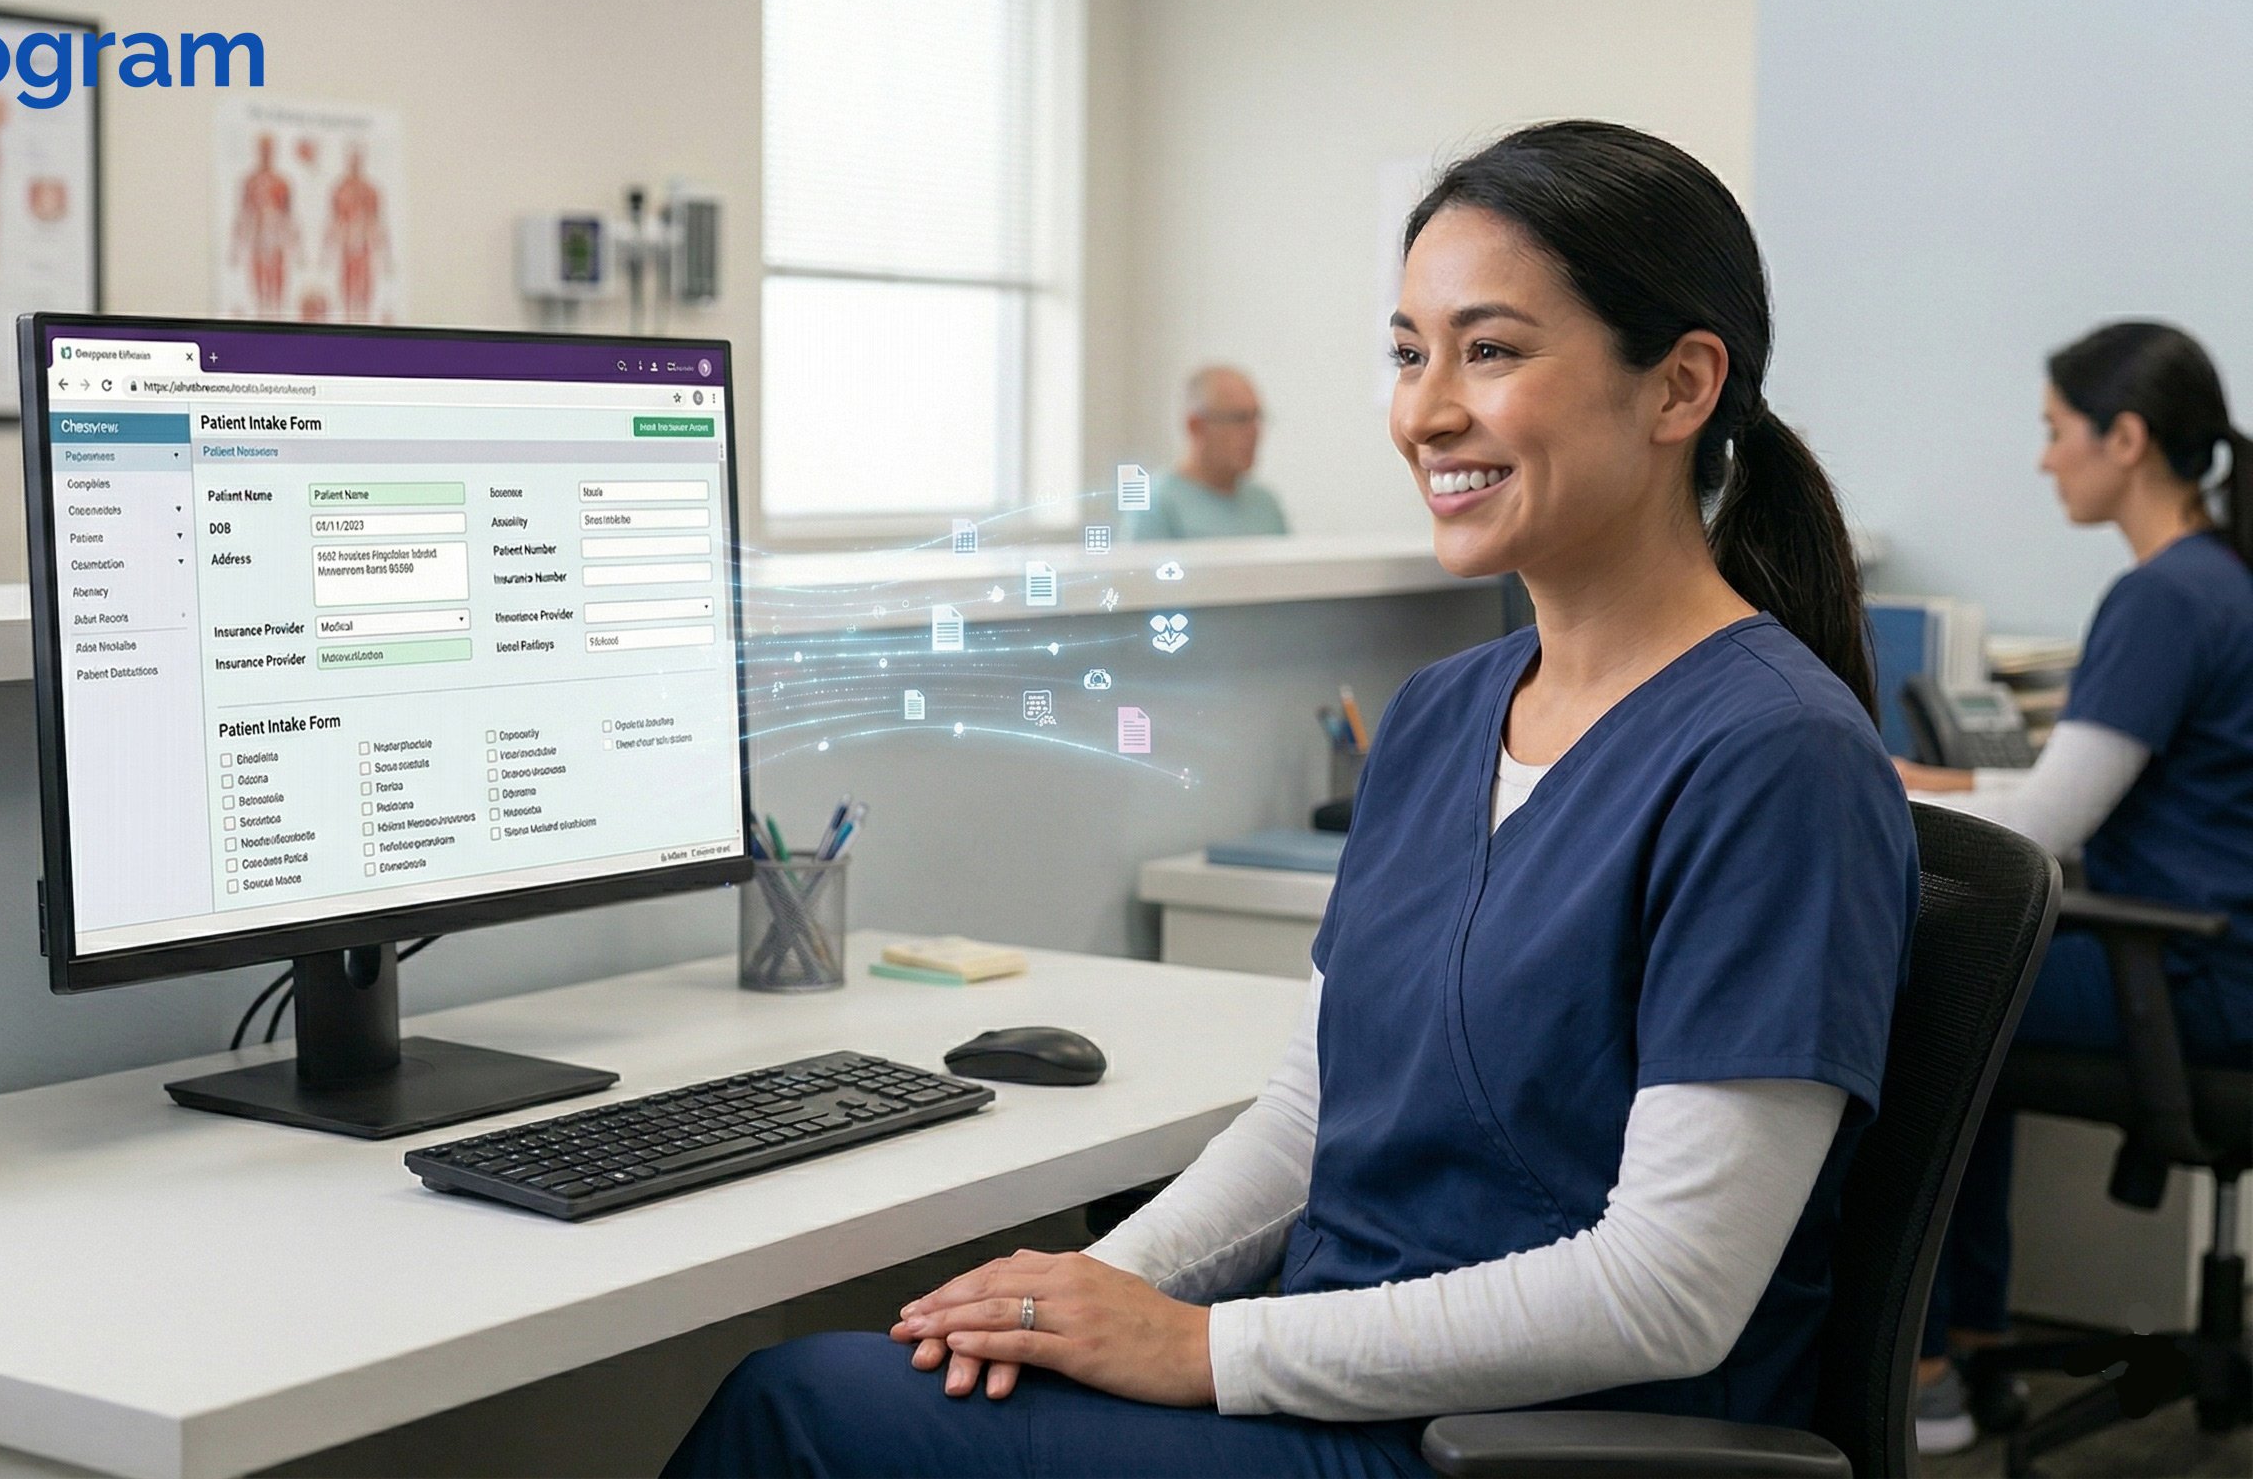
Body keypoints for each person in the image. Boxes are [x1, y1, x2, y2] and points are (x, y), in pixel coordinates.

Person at [665, 120, 1916, 1479]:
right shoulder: (1444, 716)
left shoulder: (1776, 759)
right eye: (1407, 352)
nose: (1424, 410)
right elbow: (1313, 1124)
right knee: (861, 1386)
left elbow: (1667, 1291)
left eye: (1489, 351)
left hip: (1515, 1449)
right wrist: (1089, 1295)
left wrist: (1202, 1353)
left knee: (799, 1411)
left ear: (1679, 388)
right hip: (1330, 1387)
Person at [1894, 321, 2253, 1454]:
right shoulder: (2222, 579)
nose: (2045, 458)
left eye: (2056, 432)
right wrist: (1929, 779)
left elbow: (2045, 825)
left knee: (1919, 986)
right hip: (2224, 962)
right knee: (1979, 989)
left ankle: (1925, 1370)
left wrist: (1864, 803)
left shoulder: (2162, 600)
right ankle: (1976, 1337)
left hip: (2194, 981)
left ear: (2127, 438)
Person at [1121, 366, 1291, 541]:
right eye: (1240, 419)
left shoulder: (1265, 505)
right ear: (1196, 426)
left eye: (1257, 417)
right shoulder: (1155, 505)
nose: (1255, 432)